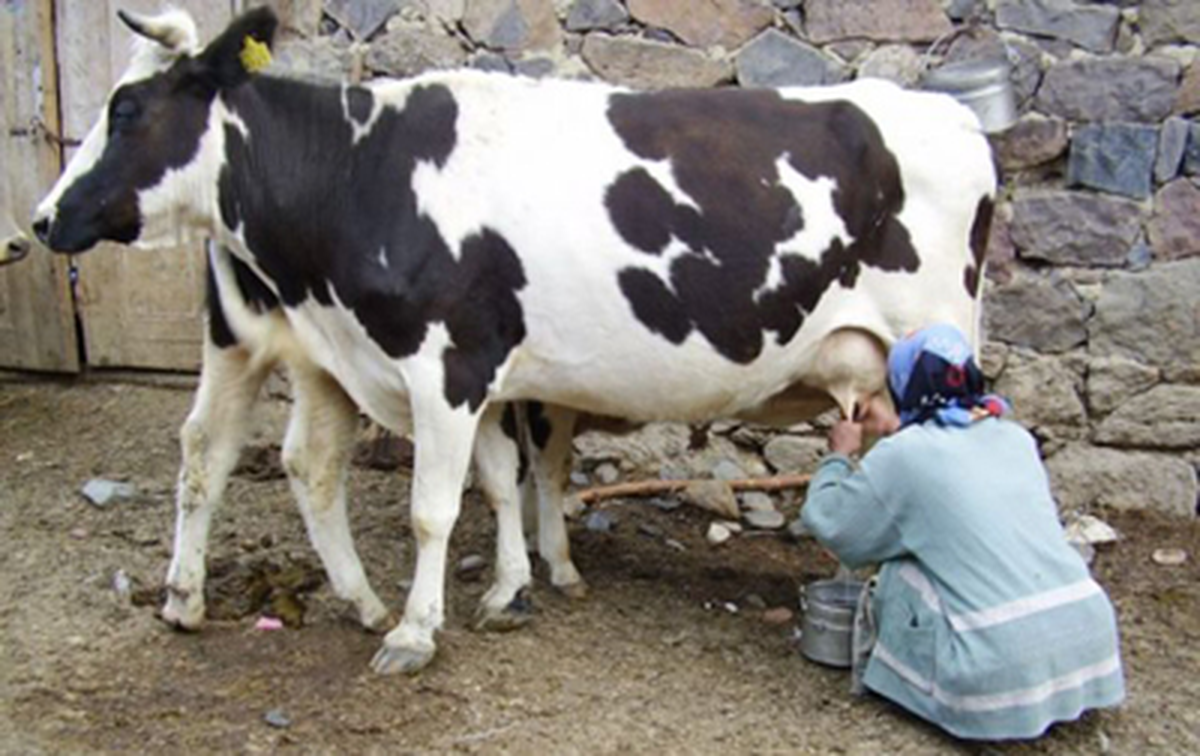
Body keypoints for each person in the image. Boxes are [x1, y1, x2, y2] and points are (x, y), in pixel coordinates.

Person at [799, 323, 1124, 741]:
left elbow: (832, 523)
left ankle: (920, 684)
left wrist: (838, 457)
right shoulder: (1015, 439)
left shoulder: (906, 455)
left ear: (903, 383)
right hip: (1092, 645)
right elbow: (939, 473)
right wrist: (896, 430)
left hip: (996, 676)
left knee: (898, 569)